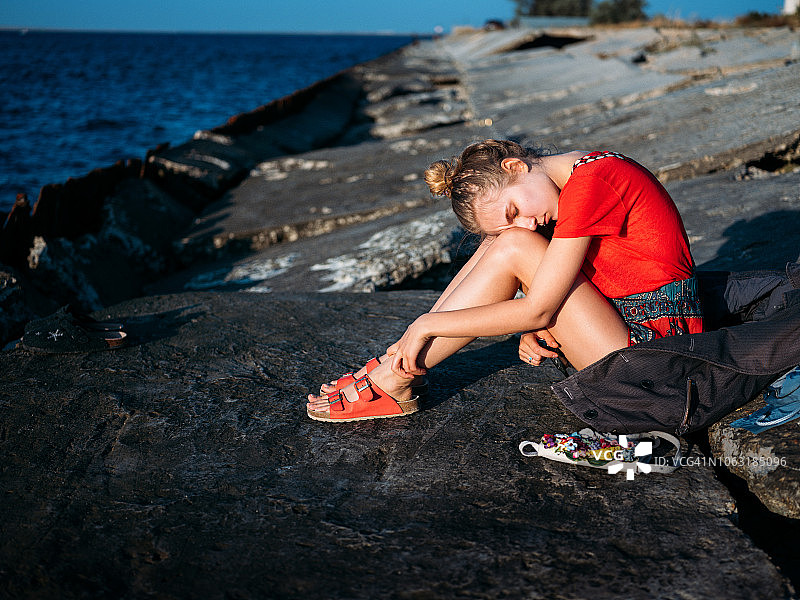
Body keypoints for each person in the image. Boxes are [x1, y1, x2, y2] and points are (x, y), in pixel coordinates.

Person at [306, 140, 703, 422]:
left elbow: (540, 307)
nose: (529, 222)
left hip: (656, 362)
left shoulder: (593, 182)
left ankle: (395, 376)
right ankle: (396, 363)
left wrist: (425, 325)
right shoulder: (580, 176)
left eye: (514, 208)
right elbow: (576, 282)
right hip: (628, 333)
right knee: (506, 241)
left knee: (515, 245)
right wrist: (548, 326)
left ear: (515, 166)